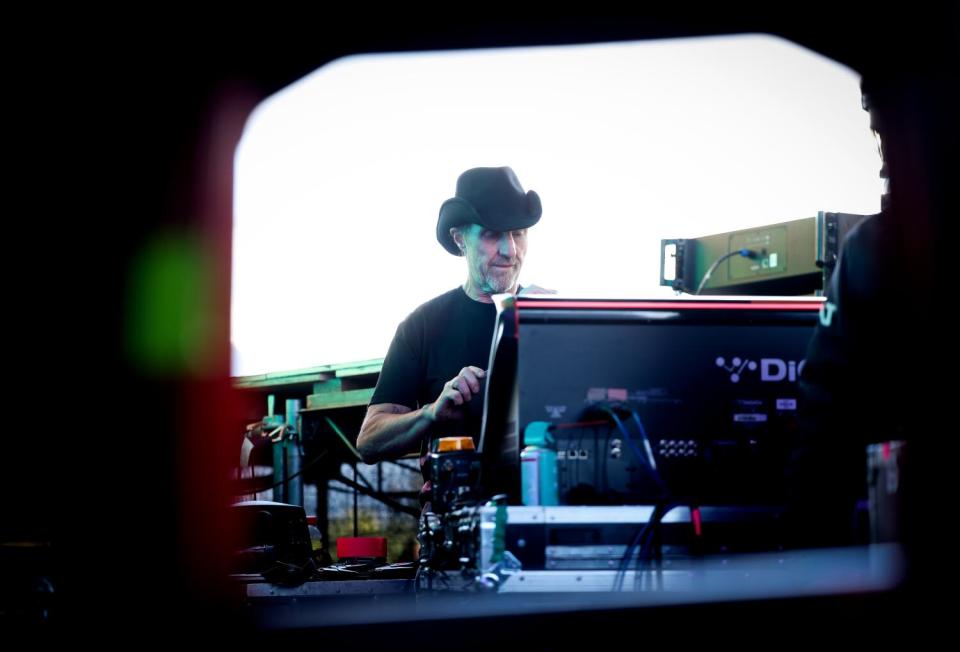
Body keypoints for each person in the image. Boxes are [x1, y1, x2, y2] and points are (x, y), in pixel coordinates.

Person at [356, 167, 549, 485]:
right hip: (454, 521)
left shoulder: (551, 320)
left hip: (541, 511)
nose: (509, 250)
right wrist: (431, 413)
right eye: (492, 234)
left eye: (518, 233)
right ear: (460, 239)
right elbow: (368, 441)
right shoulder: (423, 325)